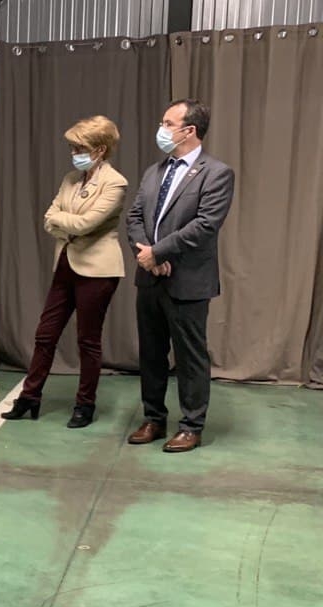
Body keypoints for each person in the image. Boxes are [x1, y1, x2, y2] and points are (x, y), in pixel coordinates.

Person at [1, 116, 127, 428]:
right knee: (45, 335)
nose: (73, 153)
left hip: (98, 271)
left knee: (88, 340)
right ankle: (30, 397)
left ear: (99, 149)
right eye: (72, 147)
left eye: (79, 147)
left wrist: (63, 220)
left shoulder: (116, 183)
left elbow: (86, 224)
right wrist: (63, 222)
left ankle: (85, 404)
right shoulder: (71, 178)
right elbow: (48, 217)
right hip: (66, 264)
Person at [125, 99, 234, 453]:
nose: (162, 129)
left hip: (188, 282)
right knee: (151, 354)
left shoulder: (216, 173)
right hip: (150, 277)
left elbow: (205, 225)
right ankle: (154, 418)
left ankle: (191, 425)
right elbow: (135, 217)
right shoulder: (154, 171)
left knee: (190, 357)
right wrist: (147, 256)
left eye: (168, 123)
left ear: (189, 130)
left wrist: (160, 251)